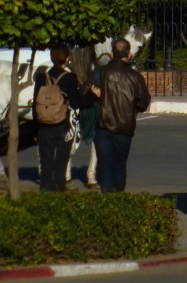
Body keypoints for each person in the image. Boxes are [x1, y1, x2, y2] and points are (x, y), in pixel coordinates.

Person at [33, 43, 98, 192]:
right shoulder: (70, 78)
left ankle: (45, 191)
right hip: (62, 125)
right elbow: (76, 103)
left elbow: (35, 103)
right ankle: (58, 190)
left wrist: (36, 129)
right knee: (61, 163)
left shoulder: (42, 77)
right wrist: (93, 96)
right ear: (67, 59)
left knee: (46, 162)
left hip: (43, 126)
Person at [94, 37, 151, 193]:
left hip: (103, 126)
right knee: (120, 164)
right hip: (124, 128)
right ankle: (119, 197)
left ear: (112, 54)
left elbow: (89, 93)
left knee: (105, 164)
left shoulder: (102, 72)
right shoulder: (135, 77)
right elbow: (143, 104)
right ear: (129, 55)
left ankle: (107, 196)